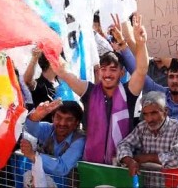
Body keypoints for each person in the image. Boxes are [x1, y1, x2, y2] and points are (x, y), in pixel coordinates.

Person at [49, 14, 149, 164]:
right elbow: (63, 72)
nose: (107, 74)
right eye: (104, 69)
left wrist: (141, 44)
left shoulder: (129, 92)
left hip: (121, 164)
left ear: (122, 73)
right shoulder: (89, 91)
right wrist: (48, 44)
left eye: (113, 70)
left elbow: (141, 69)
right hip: (92, 165)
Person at [117, 91, 178, 187]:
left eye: (154, 113)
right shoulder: (142, 127)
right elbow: (123, 144)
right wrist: (129, 161)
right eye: (145, 114)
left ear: (166, 111)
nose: (149, 119)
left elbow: (177, 159)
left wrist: (146, 158)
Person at [20, 100, 85, 176]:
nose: (62, 123)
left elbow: (62, 168)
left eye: (69, 120)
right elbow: (28, 130)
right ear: (52, 118)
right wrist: (35, 117)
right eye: (58, 117)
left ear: (76, 123)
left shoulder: (79, 140)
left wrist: (33, 156)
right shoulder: (47, 128)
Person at [23, 47, 58, 122]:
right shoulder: (40, 84)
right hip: (41, 131)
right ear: (52, 63)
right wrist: (34, 58)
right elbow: (27, 81)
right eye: (60, 60)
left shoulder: (58, 86)